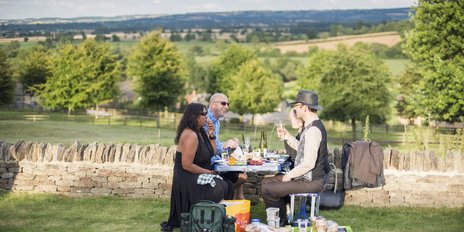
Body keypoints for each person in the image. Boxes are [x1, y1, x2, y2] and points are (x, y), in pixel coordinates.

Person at [261, 90, 330, 224]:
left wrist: (288, 176)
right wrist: (287, 136)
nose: (295, 109)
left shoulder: (313, 131)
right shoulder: (310, 127)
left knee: (267, 189)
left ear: (304, 107)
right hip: (305, 179)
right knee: (265, 182)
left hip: (311, 182)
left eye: (297, 106)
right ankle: (282, 217)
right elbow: (302, 149)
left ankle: (280, 223)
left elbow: (308, 164)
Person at [161, 103, 233, 231]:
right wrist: (208, 172)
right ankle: (207, 219)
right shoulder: (190, 135)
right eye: (203, 114)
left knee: (228, 183)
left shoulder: (200, 131)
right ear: (193, 116)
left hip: (198, 173)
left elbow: (213, 151)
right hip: (187, 177)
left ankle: (216, 218)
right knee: (218, 188)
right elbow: (186, 165)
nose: (206, 117)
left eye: (206, 114)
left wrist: (211, 134)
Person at [205, 93, 248, 200]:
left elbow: (215, 142)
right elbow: (207, 146)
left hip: (216, 161)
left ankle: (234, 198)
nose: (227, 107)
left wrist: (229, 143)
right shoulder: (207, 120)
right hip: (208, 165)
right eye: (223, 103)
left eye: (228, 104)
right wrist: (225, 145)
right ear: (213, 104)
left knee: (242, 170)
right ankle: (226, 198)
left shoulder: (216, 122)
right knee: (242, 176)